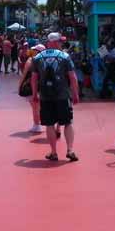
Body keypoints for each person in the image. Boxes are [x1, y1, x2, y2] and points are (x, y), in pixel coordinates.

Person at [31, 32, 80, 162]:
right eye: (59, 41)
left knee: (49, 124)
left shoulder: (38, 58)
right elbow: (72, 77)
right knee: (68, 123)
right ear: (53, 42)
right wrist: (75, 94)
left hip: (46, 97)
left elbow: (34, 78)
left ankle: (53, 152)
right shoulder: (65, 56)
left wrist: (35, 94)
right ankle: (70, 150)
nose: (61, 43)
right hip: (63, 96)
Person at [20, 44, 46, 133]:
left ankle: (36, 125)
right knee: (40, 106)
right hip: (43, 86)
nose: (33, 51)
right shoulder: (46, 60)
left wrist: (20, 84)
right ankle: (42, 122)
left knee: (35, 107)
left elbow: (24, 74)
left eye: (35, 50)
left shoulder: (31, 60)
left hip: (32, 86)